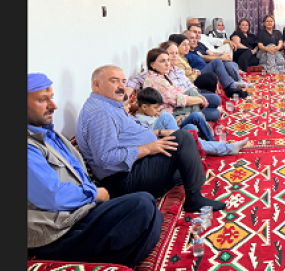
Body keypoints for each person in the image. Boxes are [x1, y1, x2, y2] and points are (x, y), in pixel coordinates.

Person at [27, 73, 162, 267]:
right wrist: (94, 193)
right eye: (42, 100)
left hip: (81, 212)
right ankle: (115, 262)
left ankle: (124, 256)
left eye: (51, 98)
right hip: (59, 230)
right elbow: (54, 197)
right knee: (142, 206)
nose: (53, 106)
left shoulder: (48, 133)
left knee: (149, 207)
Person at [75, 65, 226, 212]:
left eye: (123, 81)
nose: (122, 86)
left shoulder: (108, 105)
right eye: (114, 81)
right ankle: (194, 198)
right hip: (123, 178)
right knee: (183, 138)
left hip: (136, 165)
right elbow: (106, 158)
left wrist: (155, 138)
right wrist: (148, 148)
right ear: (97, 85)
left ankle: (170, 183)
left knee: (185, 163)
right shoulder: (99, 114)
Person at [134, 87, 249, 157]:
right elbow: (147, 136)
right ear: (144, 107)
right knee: (166, 116)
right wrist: (162, 131)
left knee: (191, 124)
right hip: (163, 139)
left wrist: (175, 123)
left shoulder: (150, 114)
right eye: (155, 108)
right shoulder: (137, 121)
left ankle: (211, 143)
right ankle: (228, 148)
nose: (157, 110)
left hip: (172, 131)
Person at [153, 37, 224, 122]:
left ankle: (202, 112)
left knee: (216, 99)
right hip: (181, 105)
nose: (175, 56)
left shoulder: (178, 70)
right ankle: (200, 117)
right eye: (171, 53)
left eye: (176, 53)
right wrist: (197, 99)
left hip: (191, 97)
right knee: (215, 113)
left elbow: (189, 84)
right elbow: (178, 96)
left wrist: (199, 96)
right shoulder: (163, 74)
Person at [184, 24, 250, 98]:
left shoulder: (195, 49)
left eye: (196, 36)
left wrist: (222, 54)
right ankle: (229, 88)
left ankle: (233, 83)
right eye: (192, 38)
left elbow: (211, 52)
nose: (195, 40)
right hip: (199, 73)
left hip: (205, 68)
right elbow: (188, 67)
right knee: (217, 62)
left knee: (228, 62)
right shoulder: (186, 54)